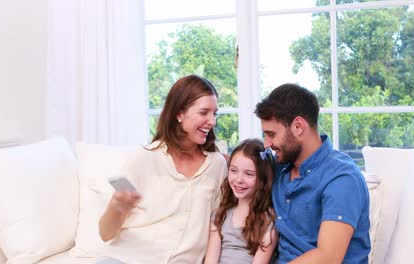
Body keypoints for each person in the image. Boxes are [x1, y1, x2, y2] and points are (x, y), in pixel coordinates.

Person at [98, 75, 228, 264]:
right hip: (127, 258)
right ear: (179, 114)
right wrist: (117, 206)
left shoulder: (217, 165)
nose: (212, 121)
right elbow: (105, 234)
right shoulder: (145, 157)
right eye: (204, 112)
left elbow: (216, 225)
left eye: (214, 113)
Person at [254, 83, 371, 264]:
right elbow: (236, 163)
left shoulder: (342, 178)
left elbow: (328, 257)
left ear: (298, 126)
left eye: (271, 134)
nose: (267, 143)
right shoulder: (281, 167)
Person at [204, 138, 278, 264]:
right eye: (233, 171)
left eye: (249, 174)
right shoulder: (220, 215)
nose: (239, 179)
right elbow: (210, 260)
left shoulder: (269, 220)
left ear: (263, 179)